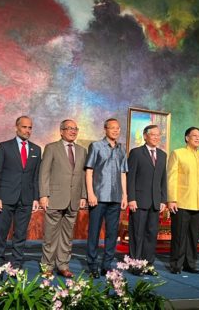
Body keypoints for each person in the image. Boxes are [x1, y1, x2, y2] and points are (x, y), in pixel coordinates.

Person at [0, 116, 41, 268]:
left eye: (30, 127)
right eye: (24, 127)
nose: (27, 130)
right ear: (16, 127)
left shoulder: (36, 150)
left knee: (20, 233)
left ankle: (16, 262)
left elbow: (36, 177)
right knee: (1, 231)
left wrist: (36, 198)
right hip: (5, 198)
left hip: (26, 198)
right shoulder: (4, 147)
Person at [39, 119, 87, 278]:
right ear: (61, 131)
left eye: (75, 129)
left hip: (74, 200)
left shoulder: (82, 150)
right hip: (54, 198)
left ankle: (63, 265)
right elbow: (44, 173)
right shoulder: (51, 148)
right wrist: (43, 195)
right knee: (50, 235)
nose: (73, 131)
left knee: (67, 236)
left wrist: (83, 195)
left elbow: (83, 175)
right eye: (69, 129)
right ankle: (47, 266)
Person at [85, 118, 128, 278]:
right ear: (105, 129)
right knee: (94, 233)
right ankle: (92, 265)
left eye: (118, 128)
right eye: (112, 128)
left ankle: (107, 265)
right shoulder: (96, 146)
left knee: (112, 233)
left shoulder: (122, 149)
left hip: (115, 198)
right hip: (98, 197)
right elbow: (89, 171)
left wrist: (125, 195)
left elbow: (123, 173)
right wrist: (90, 193)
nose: (116, 131)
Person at [167, 127, 199, 274]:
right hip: (181, 202)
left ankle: (190, 264)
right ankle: (176, 264)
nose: (198, 138)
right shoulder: (178, 153)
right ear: (187, 138)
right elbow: (171, 178)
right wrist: (172, 199)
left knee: (194, 236)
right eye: (194, 136)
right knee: (179, 235)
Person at [126, 124, 167, 275]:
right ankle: (135, 264)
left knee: (151, 234)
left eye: (158, 135)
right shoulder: (136, 153)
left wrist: (163, 199)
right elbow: (131, 178)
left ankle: (148, 264)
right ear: (145, 136)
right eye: (153, 135)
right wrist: (131, 198)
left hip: (155, 202)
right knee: (137, 233)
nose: (156, 137)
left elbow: (163, 179)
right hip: (139, 201)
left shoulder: (162, 155)